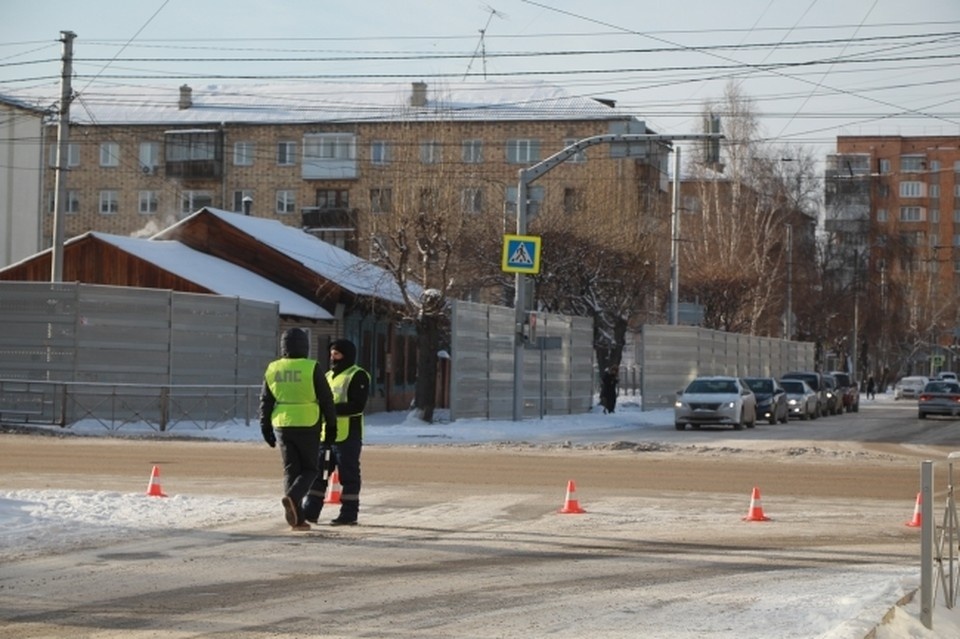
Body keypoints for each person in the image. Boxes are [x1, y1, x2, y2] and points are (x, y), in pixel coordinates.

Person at [259, 328, 338, 531]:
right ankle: (293, 498)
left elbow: (266, 400)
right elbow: (326, 399)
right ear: (305, 346)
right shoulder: (311, 367)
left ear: (283, 346)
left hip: (282, 424)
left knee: (290, 470)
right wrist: (331, 426)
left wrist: (265, 426)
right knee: (311, 469)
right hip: (308, 422)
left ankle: (297, 519)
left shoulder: (273, 368)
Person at [301, 338, 370, 526]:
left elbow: (357, 406)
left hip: (348, 435)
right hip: (326, 435)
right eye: (331, 354)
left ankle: (349, 514)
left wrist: (330, 409)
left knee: (348, 475)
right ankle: (310, 511)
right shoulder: (328, 375)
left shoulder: (358, 375)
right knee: (319, 474)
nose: (333, 357)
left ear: (346, 355)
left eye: (337, 354)